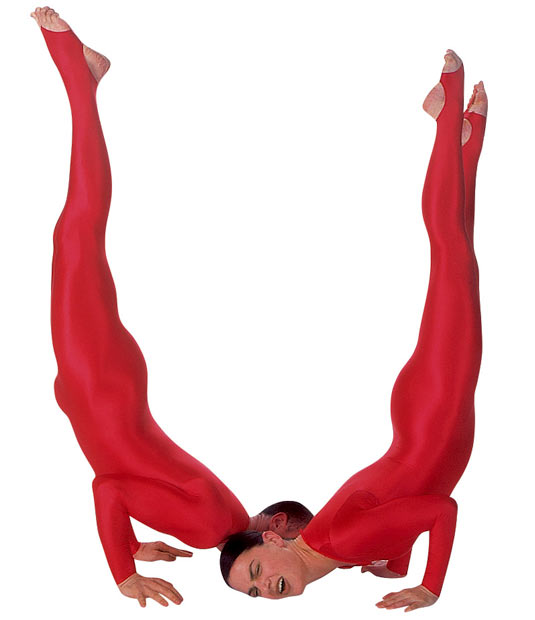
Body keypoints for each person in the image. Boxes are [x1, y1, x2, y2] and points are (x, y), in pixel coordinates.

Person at [30, 6, 313, 608]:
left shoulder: (220, 523)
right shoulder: (213, 528)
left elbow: (132, 482)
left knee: (77, 234)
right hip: (100, 382)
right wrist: (123, 573)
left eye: (257, 590)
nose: (262, 581)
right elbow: (109, 490)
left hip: (97, 391)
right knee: (77, 231)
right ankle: (82, 81)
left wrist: (135, 544)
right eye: (272, 575)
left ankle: (84, 83)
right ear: (276, 531)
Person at [220, 49, 487, 612]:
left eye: (256, 570)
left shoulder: (338, 543)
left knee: (451, 252)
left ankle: (449, 115)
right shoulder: (337, 551)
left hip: (435, 408)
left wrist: (430, 586)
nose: (265, 587)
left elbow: (441, 511)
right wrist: (394, 564)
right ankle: (466, 137)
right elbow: (400, 516)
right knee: (457, 257)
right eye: (255, 591)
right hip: (425, 416)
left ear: (273, 539)